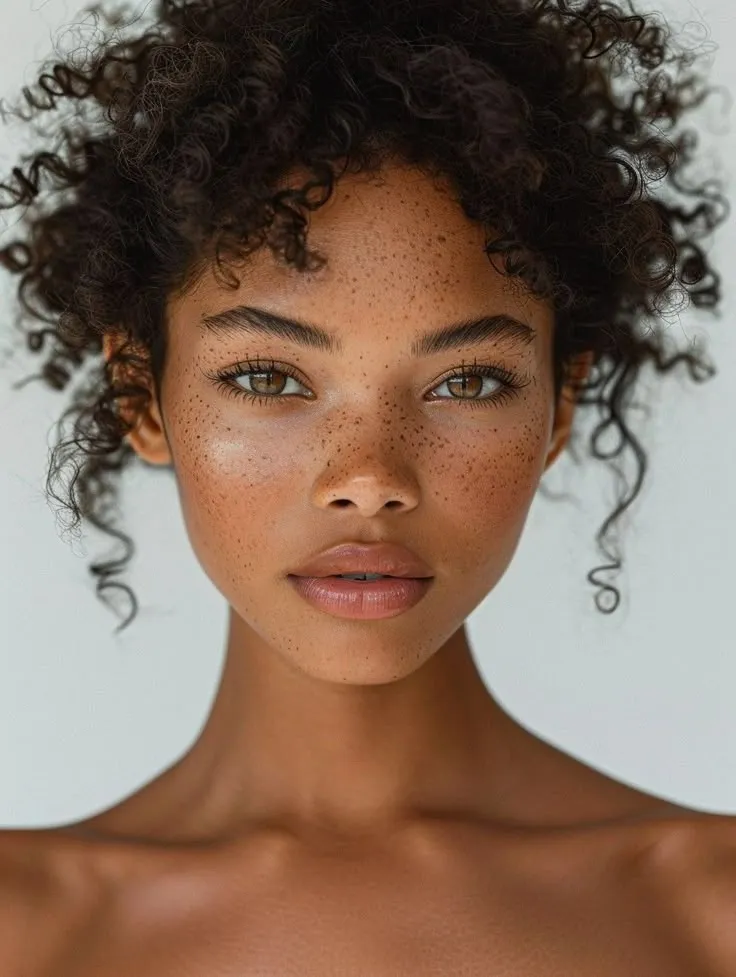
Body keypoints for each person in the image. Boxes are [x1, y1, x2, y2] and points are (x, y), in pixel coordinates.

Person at [0, 0, 733, 973]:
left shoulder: (705, 909)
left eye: (466, 382)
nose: (368, 478)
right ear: (141, 395)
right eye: (268, 378)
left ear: (556, 409)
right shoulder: (26, 928)